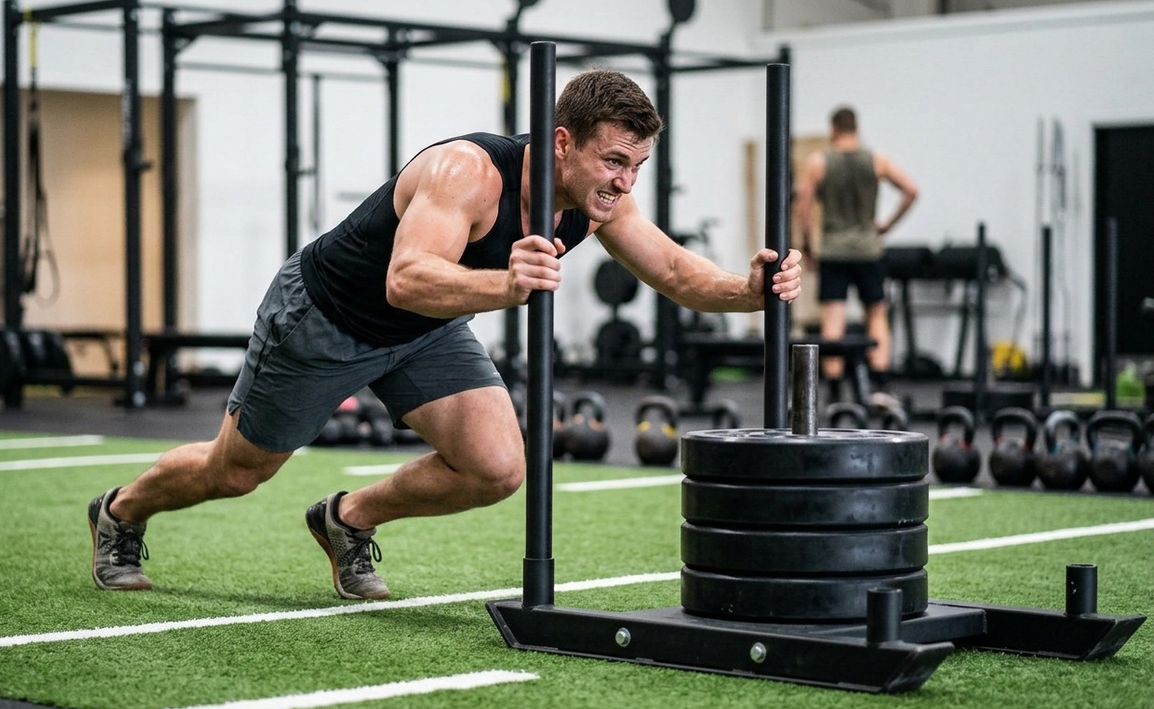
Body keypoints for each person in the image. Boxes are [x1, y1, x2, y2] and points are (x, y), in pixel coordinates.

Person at [88, 69, 804, 600]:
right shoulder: (467, 173)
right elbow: (407, 277)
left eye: (636, 166)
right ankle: (121, 512)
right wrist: (506, 285)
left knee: (497, 468)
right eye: (614, 161)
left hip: (427, 331)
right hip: (327, 317)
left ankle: (346, 521)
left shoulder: (599, 203)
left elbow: (676, 271)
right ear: (562, 143)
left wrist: (748, 291)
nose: (623, 182)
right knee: (236, 473)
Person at [794, 106, 917, 408]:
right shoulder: (877, 160)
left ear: (833, 129)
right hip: (869, 250)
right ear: (856, 128)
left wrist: (808, 247)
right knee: (876, 314)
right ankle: (880, 386)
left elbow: (804, 208)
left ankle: (835, 392)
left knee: (833, 320)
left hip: (833, 250)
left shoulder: (818, 162)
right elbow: (911, 191)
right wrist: (887, 224)